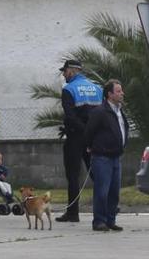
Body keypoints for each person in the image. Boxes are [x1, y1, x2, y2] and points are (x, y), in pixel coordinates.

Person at [56, 58, 103, 222]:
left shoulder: (69, 89)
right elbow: (102, 113)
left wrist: (83, 131)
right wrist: (92, 132)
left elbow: (70, 116)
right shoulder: (97, 88)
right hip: (95, 138)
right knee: (98, 174)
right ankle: (105, 208)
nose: (63, 75)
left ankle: (72, 213)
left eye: (64, 71)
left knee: (73, 175)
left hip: (76, 137)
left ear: (71, 70)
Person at [84, 79, 129, 232]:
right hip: (102, 157)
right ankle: (99, 221)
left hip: (116, 156)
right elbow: (89, 132)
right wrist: (91, 146)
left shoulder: (119, 111)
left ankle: (110, 219)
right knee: (102, 191)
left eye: (121, 91)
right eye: (118, 91)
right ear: (109, 94)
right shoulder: (100, 112)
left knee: (114, 192)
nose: (122, 93)